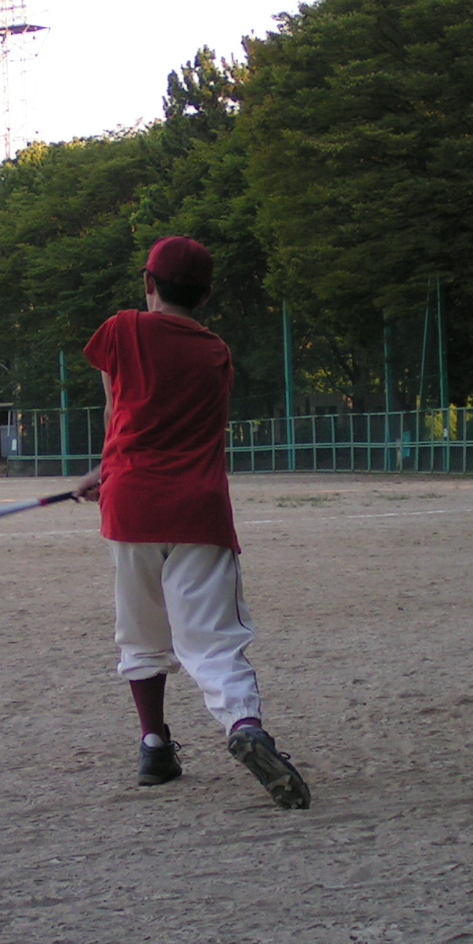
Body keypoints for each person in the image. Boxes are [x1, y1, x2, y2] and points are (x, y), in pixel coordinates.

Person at [73, 237, 311, 808]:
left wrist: (107, 469)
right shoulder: (215, 352)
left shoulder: (121, 329)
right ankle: (245, 727)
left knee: (140, 633)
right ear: (204, 296)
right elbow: (181, 423)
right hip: (198, 507)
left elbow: (118, 411)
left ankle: (154, 747)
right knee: (213, 640)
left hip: (131, 502)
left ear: (148, 282)